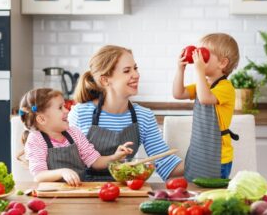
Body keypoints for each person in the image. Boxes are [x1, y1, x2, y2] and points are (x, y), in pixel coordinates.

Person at [68, 45, 184, 181]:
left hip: (125, 189)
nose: (136, 75)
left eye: (135, 68)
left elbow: (166, 164)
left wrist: (206, 162)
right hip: (84, 190)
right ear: (105, 80)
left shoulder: (143, 116)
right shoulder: (81, 114)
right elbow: (69, 162)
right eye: (127, 71)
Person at [17, 88, 133, 186]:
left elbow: (95, 162)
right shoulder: (36, 140)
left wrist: (115, 157)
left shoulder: (74, 133)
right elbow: (39, 176)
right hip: (53, 194)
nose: (67, 110)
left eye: (64, 106)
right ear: (42, 119)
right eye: (60, 108)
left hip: (80, 189)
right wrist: (62, 172)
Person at [173, 33, 240, 180]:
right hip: (199, 148)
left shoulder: (225, 88)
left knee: (211, 194)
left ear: (222, 63)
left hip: (217, 156)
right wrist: (181, 69)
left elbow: (205, 98)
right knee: (194, 188)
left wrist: (199, 70)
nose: (199, 57)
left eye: (205, 54)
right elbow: (178, 93)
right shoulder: (203, 84)